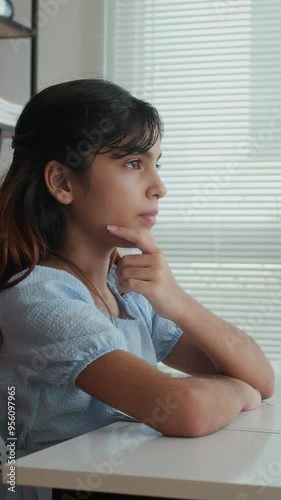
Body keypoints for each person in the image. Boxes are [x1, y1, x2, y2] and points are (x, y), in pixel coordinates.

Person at [0, 79, 275, 500]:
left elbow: (262, 377)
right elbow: (186, 410)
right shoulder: (39, 297)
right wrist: (239, 391)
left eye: (156, 163)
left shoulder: (124, 290)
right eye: (133, 163)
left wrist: (177, 301)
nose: (158, 187)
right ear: (62, 182)